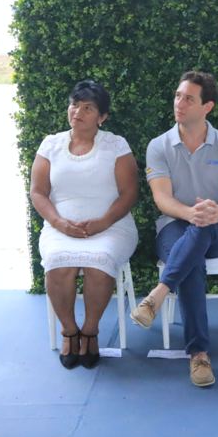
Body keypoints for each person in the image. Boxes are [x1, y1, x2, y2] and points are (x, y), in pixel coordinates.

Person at [130, 70, 218, 388]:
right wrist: (192, 214)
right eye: (178, 96)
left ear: (207, 107)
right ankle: (199, 355)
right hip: (174, 226)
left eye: (189, 99)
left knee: (203, 230)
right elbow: (162, 199)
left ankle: (158, 294)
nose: (179, 103)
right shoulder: (159, 146)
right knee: (193, 253)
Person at [30, 80, 139, 369]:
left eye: (88, 108)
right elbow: (38, 192)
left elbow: (130, 193)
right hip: (59, 227)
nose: (77, 112)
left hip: (112, 226)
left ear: (102, 117)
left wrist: (103, 222)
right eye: (74, 105)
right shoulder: (50, 144)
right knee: (57, 262)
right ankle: (69, 331)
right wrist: (58, 222)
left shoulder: (116, 145)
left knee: (99, 262)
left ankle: (90, 331)